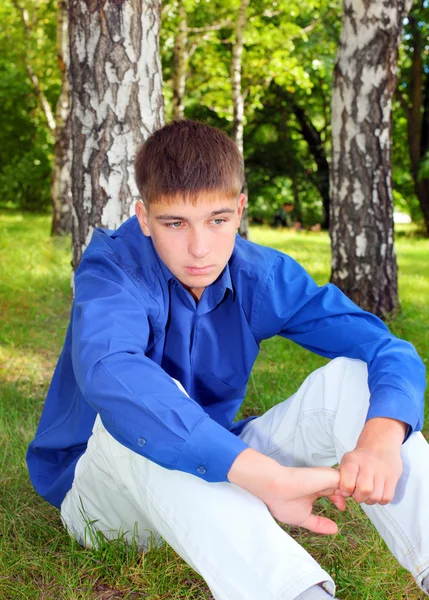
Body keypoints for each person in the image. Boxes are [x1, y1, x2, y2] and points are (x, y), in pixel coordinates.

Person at [27, 120, 429, 600]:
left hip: (223, 476)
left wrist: (383, 437)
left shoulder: (259, 274)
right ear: (142, 217)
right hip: (110, 498)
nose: (200, 248)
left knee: (353, 379)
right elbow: (112, 374)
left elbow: (386, 348)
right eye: (175, 223)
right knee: (144, 405)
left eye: (217, 220)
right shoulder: (113, 270)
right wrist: (271, 479)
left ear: (239, 210)